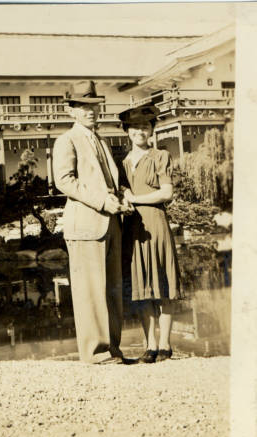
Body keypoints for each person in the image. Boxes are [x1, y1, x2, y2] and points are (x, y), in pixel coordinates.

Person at [53, 80, 133, 364]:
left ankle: (113, 349)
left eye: (93, 106)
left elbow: (108, 180)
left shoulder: (100, 141)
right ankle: (95, 353)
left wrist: (121, 197)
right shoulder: (67, 141)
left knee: (112, 289)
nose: (90, 111)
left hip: (111, 222)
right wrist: (101, 201)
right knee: (90, 291)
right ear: (71, 110)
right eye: (83, 107)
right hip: (86, 225)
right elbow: (64, 181)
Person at [118, 105, 182, 363]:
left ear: (152, 129)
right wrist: (124, 199)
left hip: (155, 224)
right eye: (135, 127)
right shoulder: (122, 162)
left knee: (163, 286)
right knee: (141, 286)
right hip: (132, 228)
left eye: (145, 126)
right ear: (127, 131)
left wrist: (135, 198)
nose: (140, 131)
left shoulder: (160, 156)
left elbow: (167, 193)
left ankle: (165, 345)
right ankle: (150, 346)